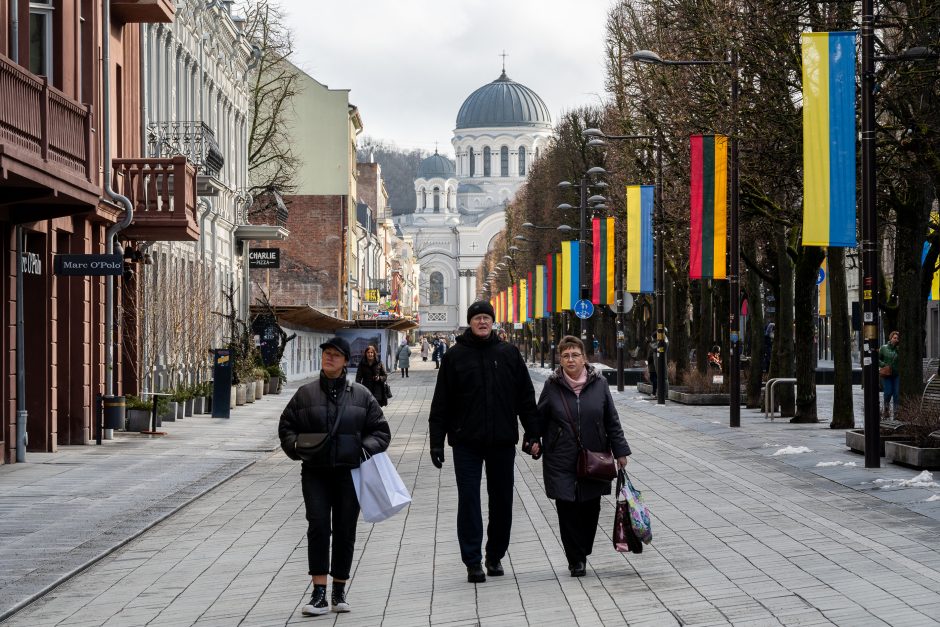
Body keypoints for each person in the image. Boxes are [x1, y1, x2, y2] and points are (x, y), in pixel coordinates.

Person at [429, 301, 541, 583]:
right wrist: (436, 441)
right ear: (470, 322)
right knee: (469, 500)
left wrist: (533, 432)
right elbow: (441, 401)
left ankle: (495, 555)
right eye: (477, 318)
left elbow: (525, 398)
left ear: (493, 322)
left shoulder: (508, 354)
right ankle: (473, 560)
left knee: (502, 500)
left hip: (502, 440)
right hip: (466, 441)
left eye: (486, 318)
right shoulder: (455, 357)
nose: (482, 322)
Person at [278, 337, 391, 616]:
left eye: (335, 355)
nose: (329, 358)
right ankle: (318, 593)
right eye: (326, 354)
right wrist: (295, 448)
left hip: (349, 473)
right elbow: (286, 426)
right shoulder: (305, 394)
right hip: (315, 472)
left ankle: (339, 589)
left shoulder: (362, 395)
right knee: (317, 526)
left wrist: (361, 451)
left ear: (345, 362)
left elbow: (381, 432)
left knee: (344, 529)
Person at [536, 335, 631, 577]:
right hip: (560, 457)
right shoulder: (552, 385)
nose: (570, 359)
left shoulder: (598, 384)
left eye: (575, 354)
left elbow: (611, 419)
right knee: (567, 509)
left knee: (590, 508)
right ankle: (575, 559)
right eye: (566, 355)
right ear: (561, 359)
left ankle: (583, 548)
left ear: (584, 358)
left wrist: (620, 451)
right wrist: (532, 441)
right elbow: (540, 418)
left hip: (594, 455)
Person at [879, 330, 900, 418]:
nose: (896, 339)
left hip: (896, 374)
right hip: (887, 374)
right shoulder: (884, 348)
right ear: (890, 338)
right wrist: (883, 364)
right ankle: (886, 410)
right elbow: (877, 359)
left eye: (897, 338)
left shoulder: (899, 349)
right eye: (894, 338)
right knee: (888, 392)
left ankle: (896, 413)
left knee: (896, 394)